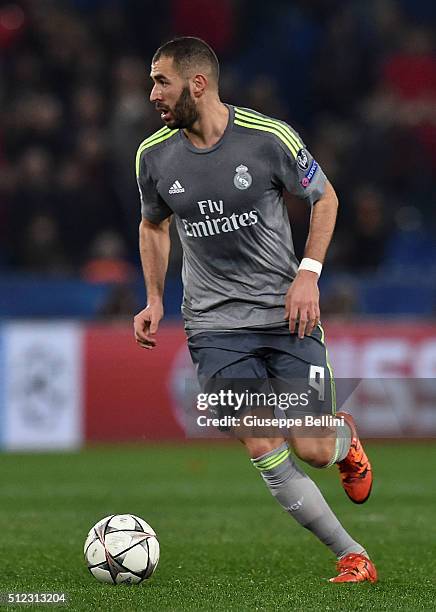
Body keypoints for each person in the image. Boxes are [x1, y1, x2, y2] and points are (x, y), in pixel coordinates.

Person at [133, 36, 377, 584]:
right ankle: (352, 555)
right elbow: (153, 223)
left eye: (160, 81)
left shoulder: (267, 139)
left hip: (287, 315)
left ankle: (341, 439)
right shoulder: (153, 155)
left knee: (313, 448)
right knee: (263, 442)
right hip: (215, 327)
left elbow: (326, 197)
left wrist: (308, 276)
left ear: (198, 84)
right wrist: (153, 298)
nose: (152, 94)